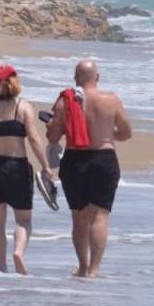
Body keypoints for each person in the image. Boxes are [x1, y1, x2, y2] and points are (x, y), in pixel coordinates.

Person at [47, 60, 133, 278]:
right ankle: (94, 269)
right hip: (103, 159)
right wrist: (106, 134)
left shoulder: (64, 102)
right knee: (99, 216)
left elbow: (53, 137)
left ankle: (82, 267)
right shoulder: (111, 101)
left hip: (74, 159)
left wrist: (53, 126)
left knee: (78, 216)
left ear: (75, 78)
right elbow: (126, 132)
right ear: (97, 77)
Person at [0, 64, 53, 275]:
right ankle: (18, 252)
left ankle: (2, 268)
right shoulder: (23, 107)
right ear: (14, 82)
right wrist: (46, 166)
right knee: (23, 220)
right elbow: (35, 139)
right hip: (16, 166)